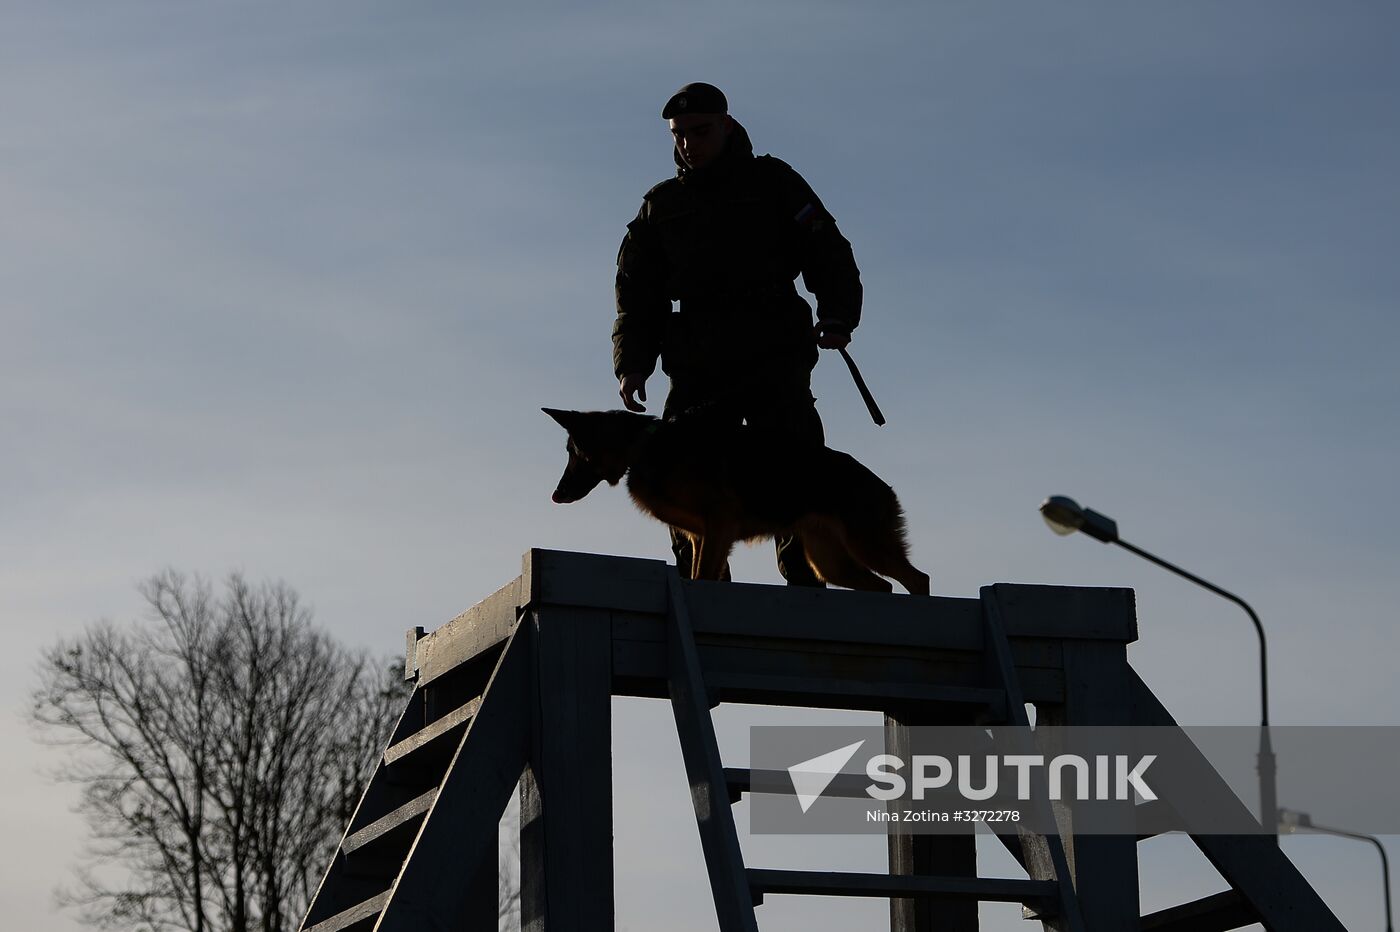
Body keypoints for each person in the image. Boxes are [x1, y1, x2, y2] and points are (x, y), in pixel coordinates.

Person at [612, 82, 863, 585]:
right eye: (679, 134)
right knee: (682, 475)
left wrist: (837, 316)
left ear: (727, 125)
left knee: (794, 469)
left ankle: (805, 590)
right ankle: (704, 596)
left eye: (700, 131)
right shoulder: (661, 206)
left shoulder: (774, 182)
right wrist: (633, 362)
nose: (688, 144)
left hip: (772, 349)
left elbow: (826, 248)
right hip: (697, 357)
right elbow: (637, 291)